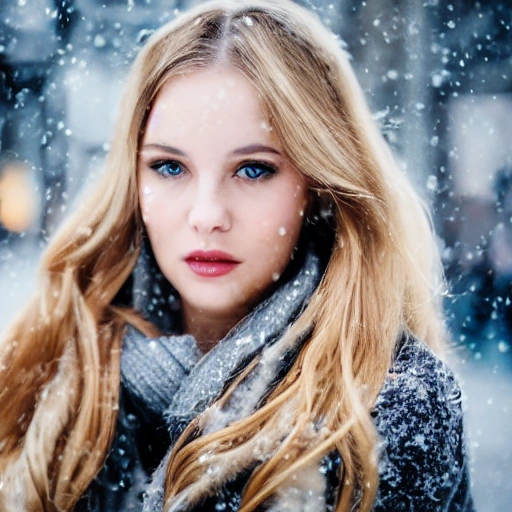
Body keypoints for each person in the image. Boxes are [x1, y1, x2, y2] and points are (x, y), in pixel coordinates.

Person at [0, 1, 474, 511]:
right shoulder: (49, 373)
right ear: (132, 180)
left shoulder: (391, 403)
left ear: (315, 186)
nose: (207, 215)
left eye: (252, 170)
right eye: (169, 167)